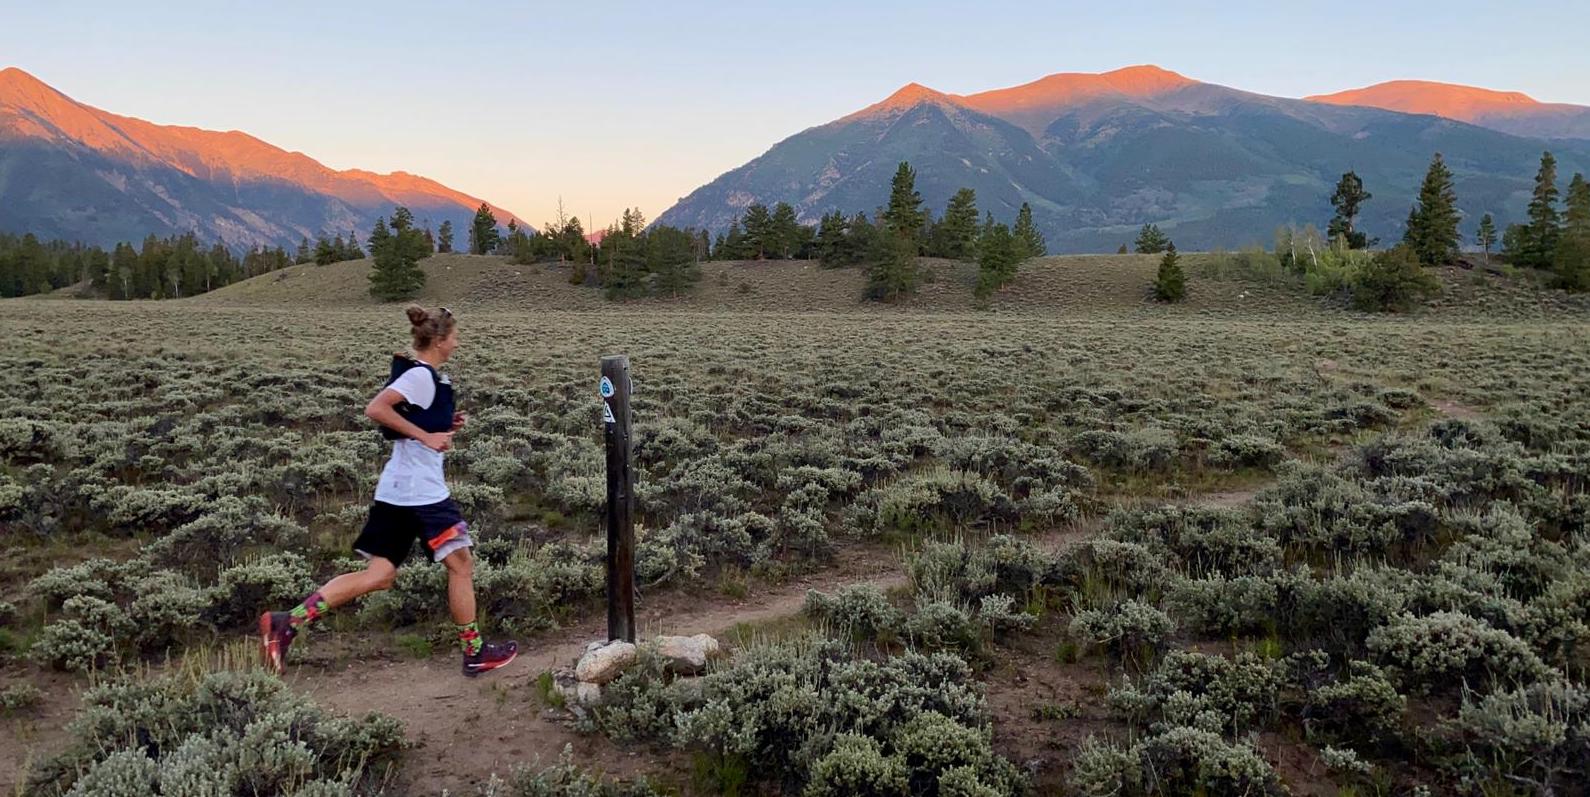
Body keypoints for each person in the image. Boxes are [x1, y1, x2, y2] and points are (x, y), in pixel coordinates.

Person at [260, 305, 517, 677]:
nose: (457, 344)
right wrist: (426, 435)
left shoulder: (426, 378)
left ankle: (287, 622)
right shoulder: (420, 376)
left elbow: (408, 417)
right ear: (439, 340)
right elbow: (376, 408)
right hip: (421, 494)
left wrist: (443, 423)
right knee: (461, 565)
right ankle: (474, 652)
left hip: (398, 491)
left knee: (379, 575)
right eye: (454, 337)